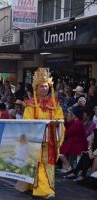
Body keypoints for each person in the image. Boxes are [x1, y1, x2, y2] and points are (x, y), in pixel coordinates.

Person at [15, 68, 65, 199]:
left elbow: (60, 120)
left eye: (46, 86)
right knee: (37, 164)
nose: (45, 88)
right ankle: (45, 190)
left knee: (48, 164)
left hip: (50, 139)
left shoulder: (56, 104)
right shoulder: (30, 104)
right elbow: (27, 122)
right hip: (35, 140)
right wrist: (43, 124)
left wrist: (57, 123)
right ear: (36, 88)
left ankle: (39, 187)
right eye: (42, 86)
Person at [59, 106, 87, 172]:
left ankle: (68, 167)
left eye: (71, 113)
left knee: (59, 152)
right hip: (74, 142)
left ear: (74, 115)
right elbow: (67, 125)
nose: (69, 114)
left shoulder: (77, 123)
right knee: (61, 150)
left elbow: (67, 133)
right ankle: (66, 167)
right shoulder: (76, 122)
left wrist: (62, 126)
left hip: (77, 144)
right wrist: (66, 120)